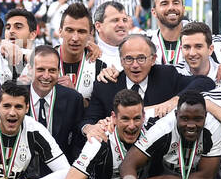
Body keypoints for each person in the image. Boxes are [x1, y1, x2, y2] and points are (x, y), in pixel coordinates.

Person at [83, 34, 211, 128]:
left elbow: (204, 82)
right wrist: (90, 129)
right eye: (128, 59)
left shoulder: (166, 75)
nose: (135, 65)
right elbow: (87, 120)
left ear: (153, 59)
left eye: (141, 58)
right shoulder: (106, 85)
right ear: (121, 61)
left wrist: (176, 100)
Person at [27, 45, 85, 157]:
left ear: (59, 71)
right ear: (30, 69)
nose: (46, 76)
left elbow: (77, 142)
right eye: (40, 69)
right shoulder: (15, 93)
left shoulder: (73, 99)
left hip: (59, 168)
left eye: (52, 70)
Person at [146, 0, 189, 68]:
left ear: (183, 9)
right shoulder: (146, 42)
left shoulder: (200, 38)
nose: (171, 7)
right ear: (154, 12)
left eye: (176, 3)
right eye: (164, 4)